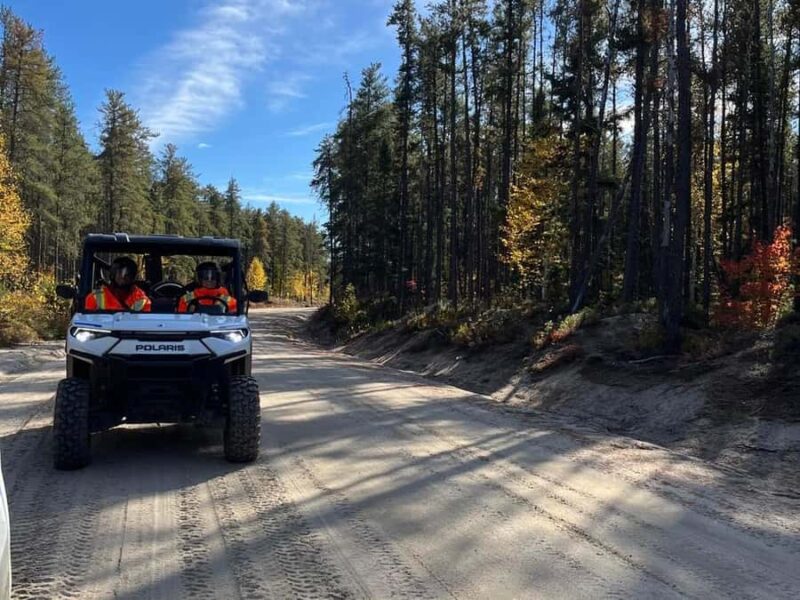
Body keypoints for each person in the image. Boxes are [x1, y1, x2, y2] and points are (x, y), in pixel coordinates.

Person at [84, 256, 151, 312]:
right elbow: (86, 322)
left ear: (132, 277)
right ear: (113, 274)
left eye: (127, 274)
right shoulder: (94, 298)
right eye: (120, 273)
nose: (123, 277)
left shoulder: (143, 300)